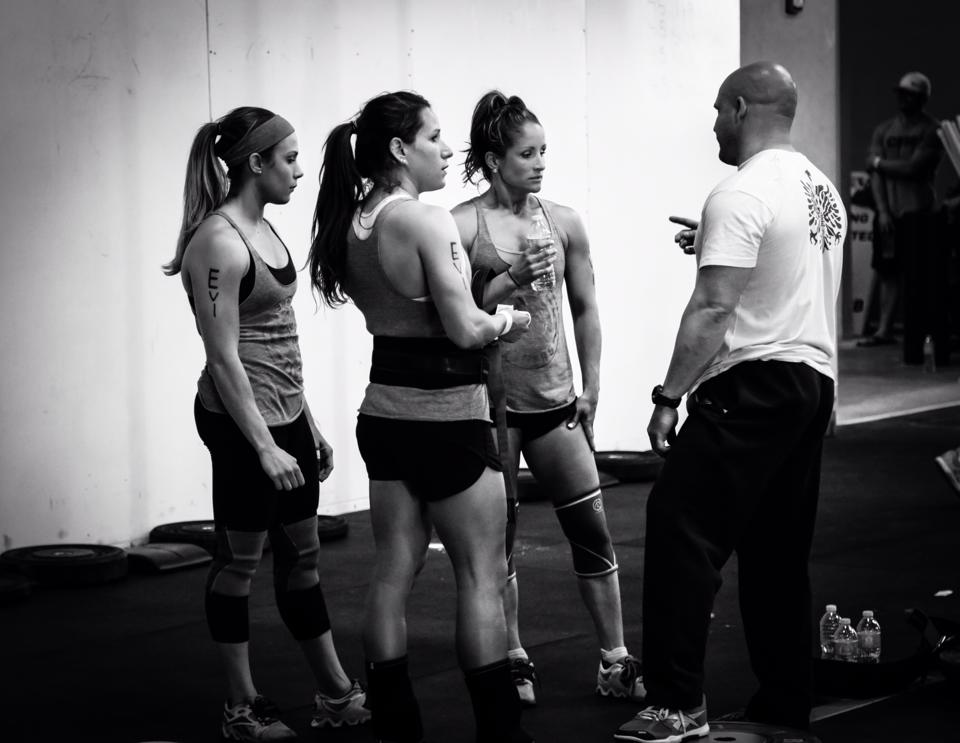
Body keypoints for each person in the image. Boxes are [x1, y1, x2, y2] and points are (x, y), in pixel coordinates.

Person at [615, 62, 846, 743]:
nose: (714, 123)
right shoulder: (820, 188)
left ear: (741, 107)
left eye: (719, 109)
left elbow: (714, 307)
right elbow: (788, 270)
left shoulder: (741, 190)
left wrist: (667, 397)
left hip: (752, 384)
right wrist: (714, 239)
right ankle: (784, 702)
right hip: (810, 385)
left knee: (680, 527)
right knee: (776, 551)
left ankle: (674, 704)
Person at [307, 91, 534, 743]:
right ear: (400, 149)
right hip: (448, 418)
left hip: (384, 416)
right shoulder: (425, 221)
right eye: (434, 137)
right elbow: (465, 328)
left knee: (392, 570)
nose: (448, 149)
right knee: (481, 576)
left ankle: (396, 726)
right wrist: (508, 320)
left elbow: (412, 312)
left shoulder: (353, 222)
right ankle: (501, 733)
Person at [163, 107, 369, 741]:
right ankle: (241, 707)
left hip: (286, 416)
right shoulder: (219, 242)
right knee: (240, 564)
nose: (300, 171)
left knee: (304, 557)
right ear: (255, 163)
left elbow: (278, 342)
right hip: (238, 421)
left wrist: (307, 425)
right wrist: (263, 448)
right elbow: (224, 358)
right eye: (290, 158)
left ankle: (334, 691)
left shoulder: (267, 229)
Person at [452, 91, 643, 707]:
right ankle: (512, 656)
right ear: (493, 159)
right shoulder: (462, 226)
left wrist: (592, 386)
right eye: (526, 154)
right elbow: (455, 316)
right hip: (493, 409)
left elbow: (585, 307)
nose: (539, 164)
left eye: (543, 152)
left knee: (592, 532)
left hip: (557, 401)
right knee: (498, 544)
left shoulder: (563, 222)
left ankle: (615, 659)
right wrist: (509, 279)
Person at [859, 71, 943, 365]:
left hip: (918, 212)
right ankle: (884, 330)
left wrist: (880, 163)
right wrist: (882, 210)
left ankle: (917, 337)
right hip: (889, 215)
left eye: (911, 95)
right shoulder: (884, 129)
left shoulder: (932, 130)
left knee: (919, 277)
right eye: (902, 94)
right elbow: (875, 173)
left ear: (922, 98)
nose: (904, 99)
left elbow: (914, 168)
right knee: (887, 272)